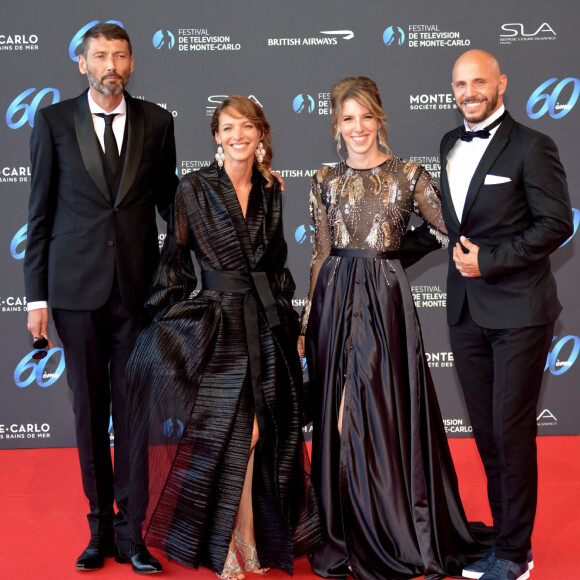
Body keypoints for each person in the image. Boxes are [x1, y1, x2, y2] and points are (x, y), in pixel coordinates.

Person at [298, 76, 491, 580]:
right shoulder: (323, 179)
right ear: (335, 127)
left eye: (366, 116)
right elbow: (319, 254)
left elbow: (447, 226)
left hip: (383, 301)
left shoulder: (407, 174)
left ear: (380, 119)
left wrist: (394, 256)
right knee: (338, 417)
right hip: (334, 300)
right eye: (347, 119)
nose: (358, 127)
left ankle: (388, 529)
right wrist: (308, 320)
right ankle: (345, 531)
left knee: (377, 414)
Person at [125, 95, 324, 580]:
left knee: (263, 435)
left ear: (262, 136)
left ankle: (246, 539)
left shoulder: (272, 189)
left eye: (248, 127)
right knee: (235, 435)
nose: (239, 136)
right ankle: (231, 543)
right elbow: (175, 257)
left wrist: (293, 323)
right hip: (220, 325)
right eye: (228, 128)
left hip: (265, 322)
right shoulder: (194, 188)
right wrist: (166, 316)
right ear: (216, 136)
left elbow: (276, 265)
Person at [23, 23, 178, 573]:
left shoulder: (158, 122)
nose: (111, 64)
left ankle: (132, 532)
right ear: (81, 64)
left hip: (137, 294)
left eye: (120, 55)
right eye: (100, 56)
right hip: (73, 292)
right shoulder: (53, 121)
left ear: (132, 63)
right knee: (88, 411)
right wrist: (34, 299)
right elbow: (37, 217)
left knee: (134, 412)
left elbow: (171, 210)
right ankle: (98, 530)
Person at [439, 50, 573, 580]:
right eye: (459, 84)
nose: (468, 92)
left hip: (519, 311)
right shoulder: (449, 144)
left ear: (501, 84)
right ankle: (504, 536)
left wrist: (488, 261)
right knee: (487, 433)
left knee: (511, 432)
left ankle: (516, 556)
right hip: (466, 312)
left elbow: (556, 223)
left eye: (478, 82)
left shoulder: (534, 145)